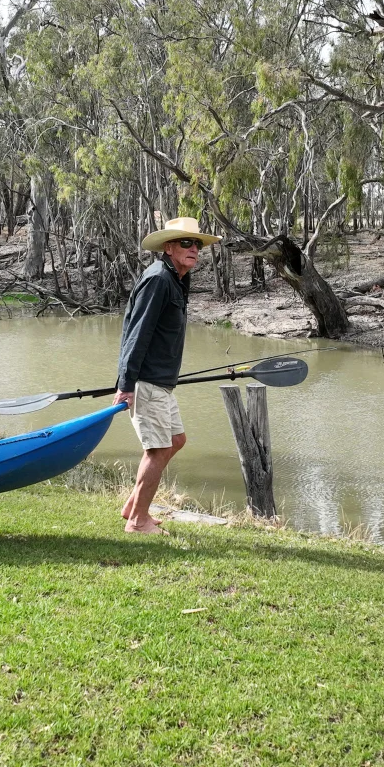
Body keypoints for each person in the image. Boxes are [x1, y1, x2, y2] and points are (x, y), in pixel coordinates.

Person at [115, 216, 220, 533]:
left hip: (160, 383)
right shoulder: (159, 279)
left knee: (175, 440)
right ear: (169, 247)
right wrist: (126, 385)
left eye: (197, 244)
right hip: (146, 382)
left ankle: (134, 505)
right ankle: (138, 521)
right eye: (187, 243)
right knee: (158, 449)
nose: (194, 249)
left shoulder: (176, 279)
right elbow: (137, 334)